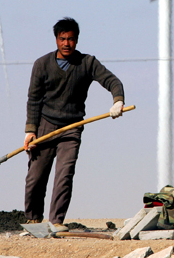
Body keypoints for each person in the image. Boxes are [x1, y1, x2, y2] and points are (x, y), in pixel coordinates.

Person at [23, 17, 125, 231]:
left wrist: (118, 101)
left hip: (72, 129)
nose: (66, 43)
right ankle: (32, 220)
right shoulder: (41, 64)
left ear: (76, 40)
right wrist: (30, 131)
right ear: (56, 39)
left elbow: (112, 81)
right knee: (36, 176)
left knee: (64, 174)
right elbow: (33, 99)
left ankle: (56, 222)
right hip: (45, 127)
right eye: (62, 39)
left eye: (71, 39)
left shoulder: (87, 63)